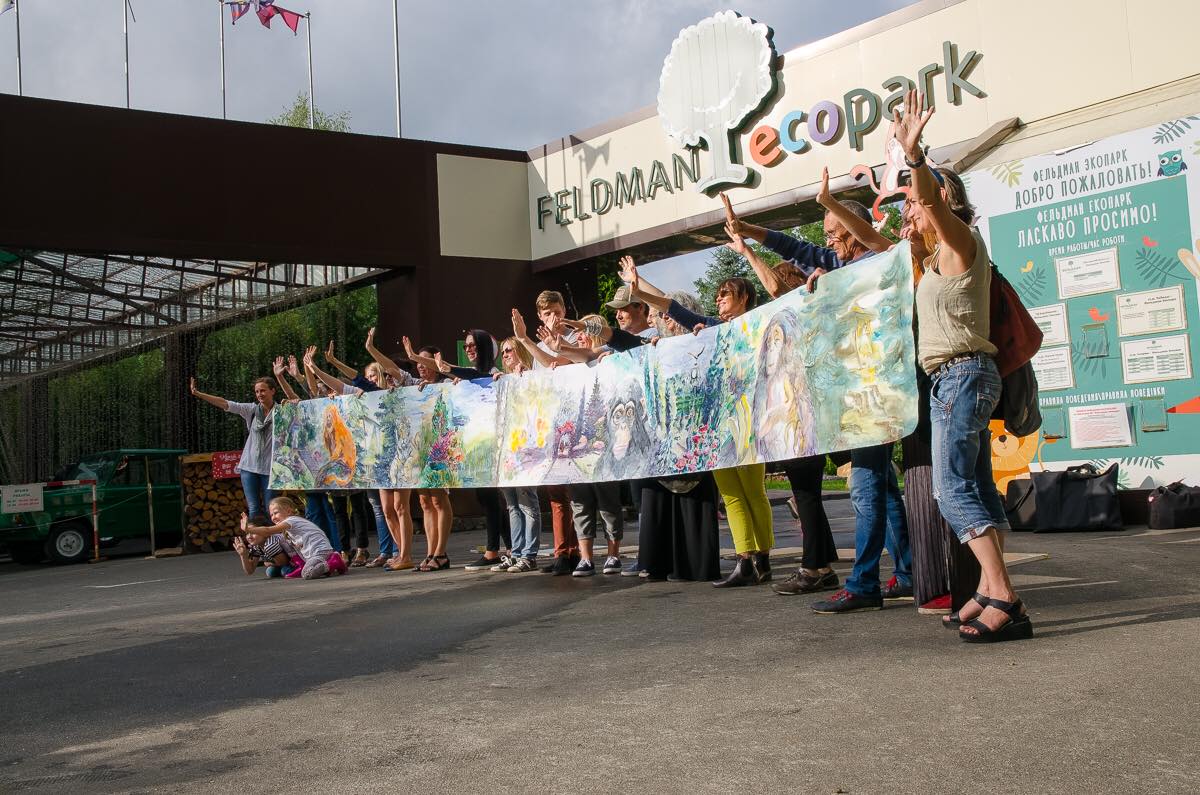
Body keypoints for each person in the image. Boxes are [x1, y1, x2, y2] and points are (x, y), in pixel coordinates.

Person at [725, 181, 913, 611]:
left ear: (855, 228)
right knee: (883, 489)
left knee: (865, 489)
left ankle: (864, 584)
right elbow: (798, 250)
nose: (827, 242)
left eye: (834, 232)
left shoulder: (877, 261)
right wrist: (749, 232)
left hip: (873, 395)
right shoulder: (840, 265)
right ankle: (906, 573)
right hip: (857, 395)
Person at [894, 88, 1031, 642]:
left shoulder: (960, 242)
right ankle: (990, 588)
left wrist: (915, 158)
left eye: (912, 202)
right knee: (975, 486)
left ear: (942, 199)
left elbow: (932, 205)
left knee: (950, 490)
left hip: (962, 375)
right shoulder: (933, 260)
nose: (908, 210)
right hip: (954, 379)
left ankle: (1004, 595)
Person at [626, 262, 774, 588]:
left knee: (753, 491)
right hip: (716, 424)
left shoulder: (757, 324)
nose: (718, 299)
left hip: (747, 419)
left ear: (744, 298)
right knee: (731, 494)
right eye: (718, 294)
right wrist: (639, 288)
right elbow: (674, 309)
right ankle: (745, 560)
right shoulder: (710, 328)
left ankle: (763, 558)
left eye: (726, 294)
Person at [630, 292, 722, 582]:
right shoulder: (658, 347)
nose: (663, 320)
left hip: (696, 432)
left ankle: (694, 565)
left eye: (667, 315)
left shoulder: (701, 339)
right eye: (660, 316)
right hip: (665, 438)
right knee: (662, 501)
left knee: (694, 499)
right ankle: (662, 562)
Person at [510, 292, 580, 575]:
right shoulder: (537, 346)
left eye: (556, 311)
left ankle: (577, 551)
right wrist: (520, 372)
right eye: (547, 313)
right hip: (548, 427)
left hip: (573, 423)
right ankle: (563, 551)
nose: (553, 317)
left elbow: (559, 363)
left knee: (574, 493)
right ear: (540, 316)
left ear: (564, 310)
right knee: (555, 492)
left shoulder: (575, 337)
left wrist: (525, 340)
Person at [189, 375, 278, 520]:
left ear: (272, 391)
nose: (259, 394)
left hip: (271, 469)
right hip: (249, 467)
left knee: (272, 509)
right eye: (257, 391)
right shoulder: (252, 410)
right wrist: (198, 394)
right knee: (254, 509)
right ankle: (255, 535)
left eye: (263, 390)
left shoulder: (281, 411)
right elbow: (225, 404)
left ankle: (274, 536)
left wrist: (293, 399)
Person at [491, 336, 543, 573]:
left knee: (527, 501)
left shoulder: (531, 376)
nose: (505, 355)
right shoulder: (503, 379)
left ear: (520, 350)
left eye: (509, 350)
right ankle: (517, 552)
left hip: (525, 448)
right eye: (503, 352)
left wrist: (525, 375)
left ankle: (529, 555)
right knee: (512, 505)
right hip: (506, 450)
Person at [246, 497, 348, 579]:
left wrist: (249, 529)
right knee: (283, 540)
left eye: (276, 513)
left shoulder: (291, 521)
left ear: (288, 511)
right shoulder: (288, 529)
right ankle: (327, 566)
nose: (273, 517)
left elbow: (268, 530)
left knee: (307, 573)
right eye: (271, 515)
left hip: (320, 551)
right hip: (312, 555)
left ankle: (335, 561)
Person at [233, 516, 299, 578]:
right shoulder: (255, 546)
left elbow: (284, 562)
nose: (249, 537)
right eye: (247, 533)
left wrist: (268, 563)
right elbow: (250, 571)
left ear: (264, 533)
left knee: (284, 571)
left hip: (295, 560)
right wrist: (243, 555)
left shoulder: (270, 544)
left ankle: (299, 569)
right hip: (278, 562)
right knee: (270, 572)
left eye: (253, 532)